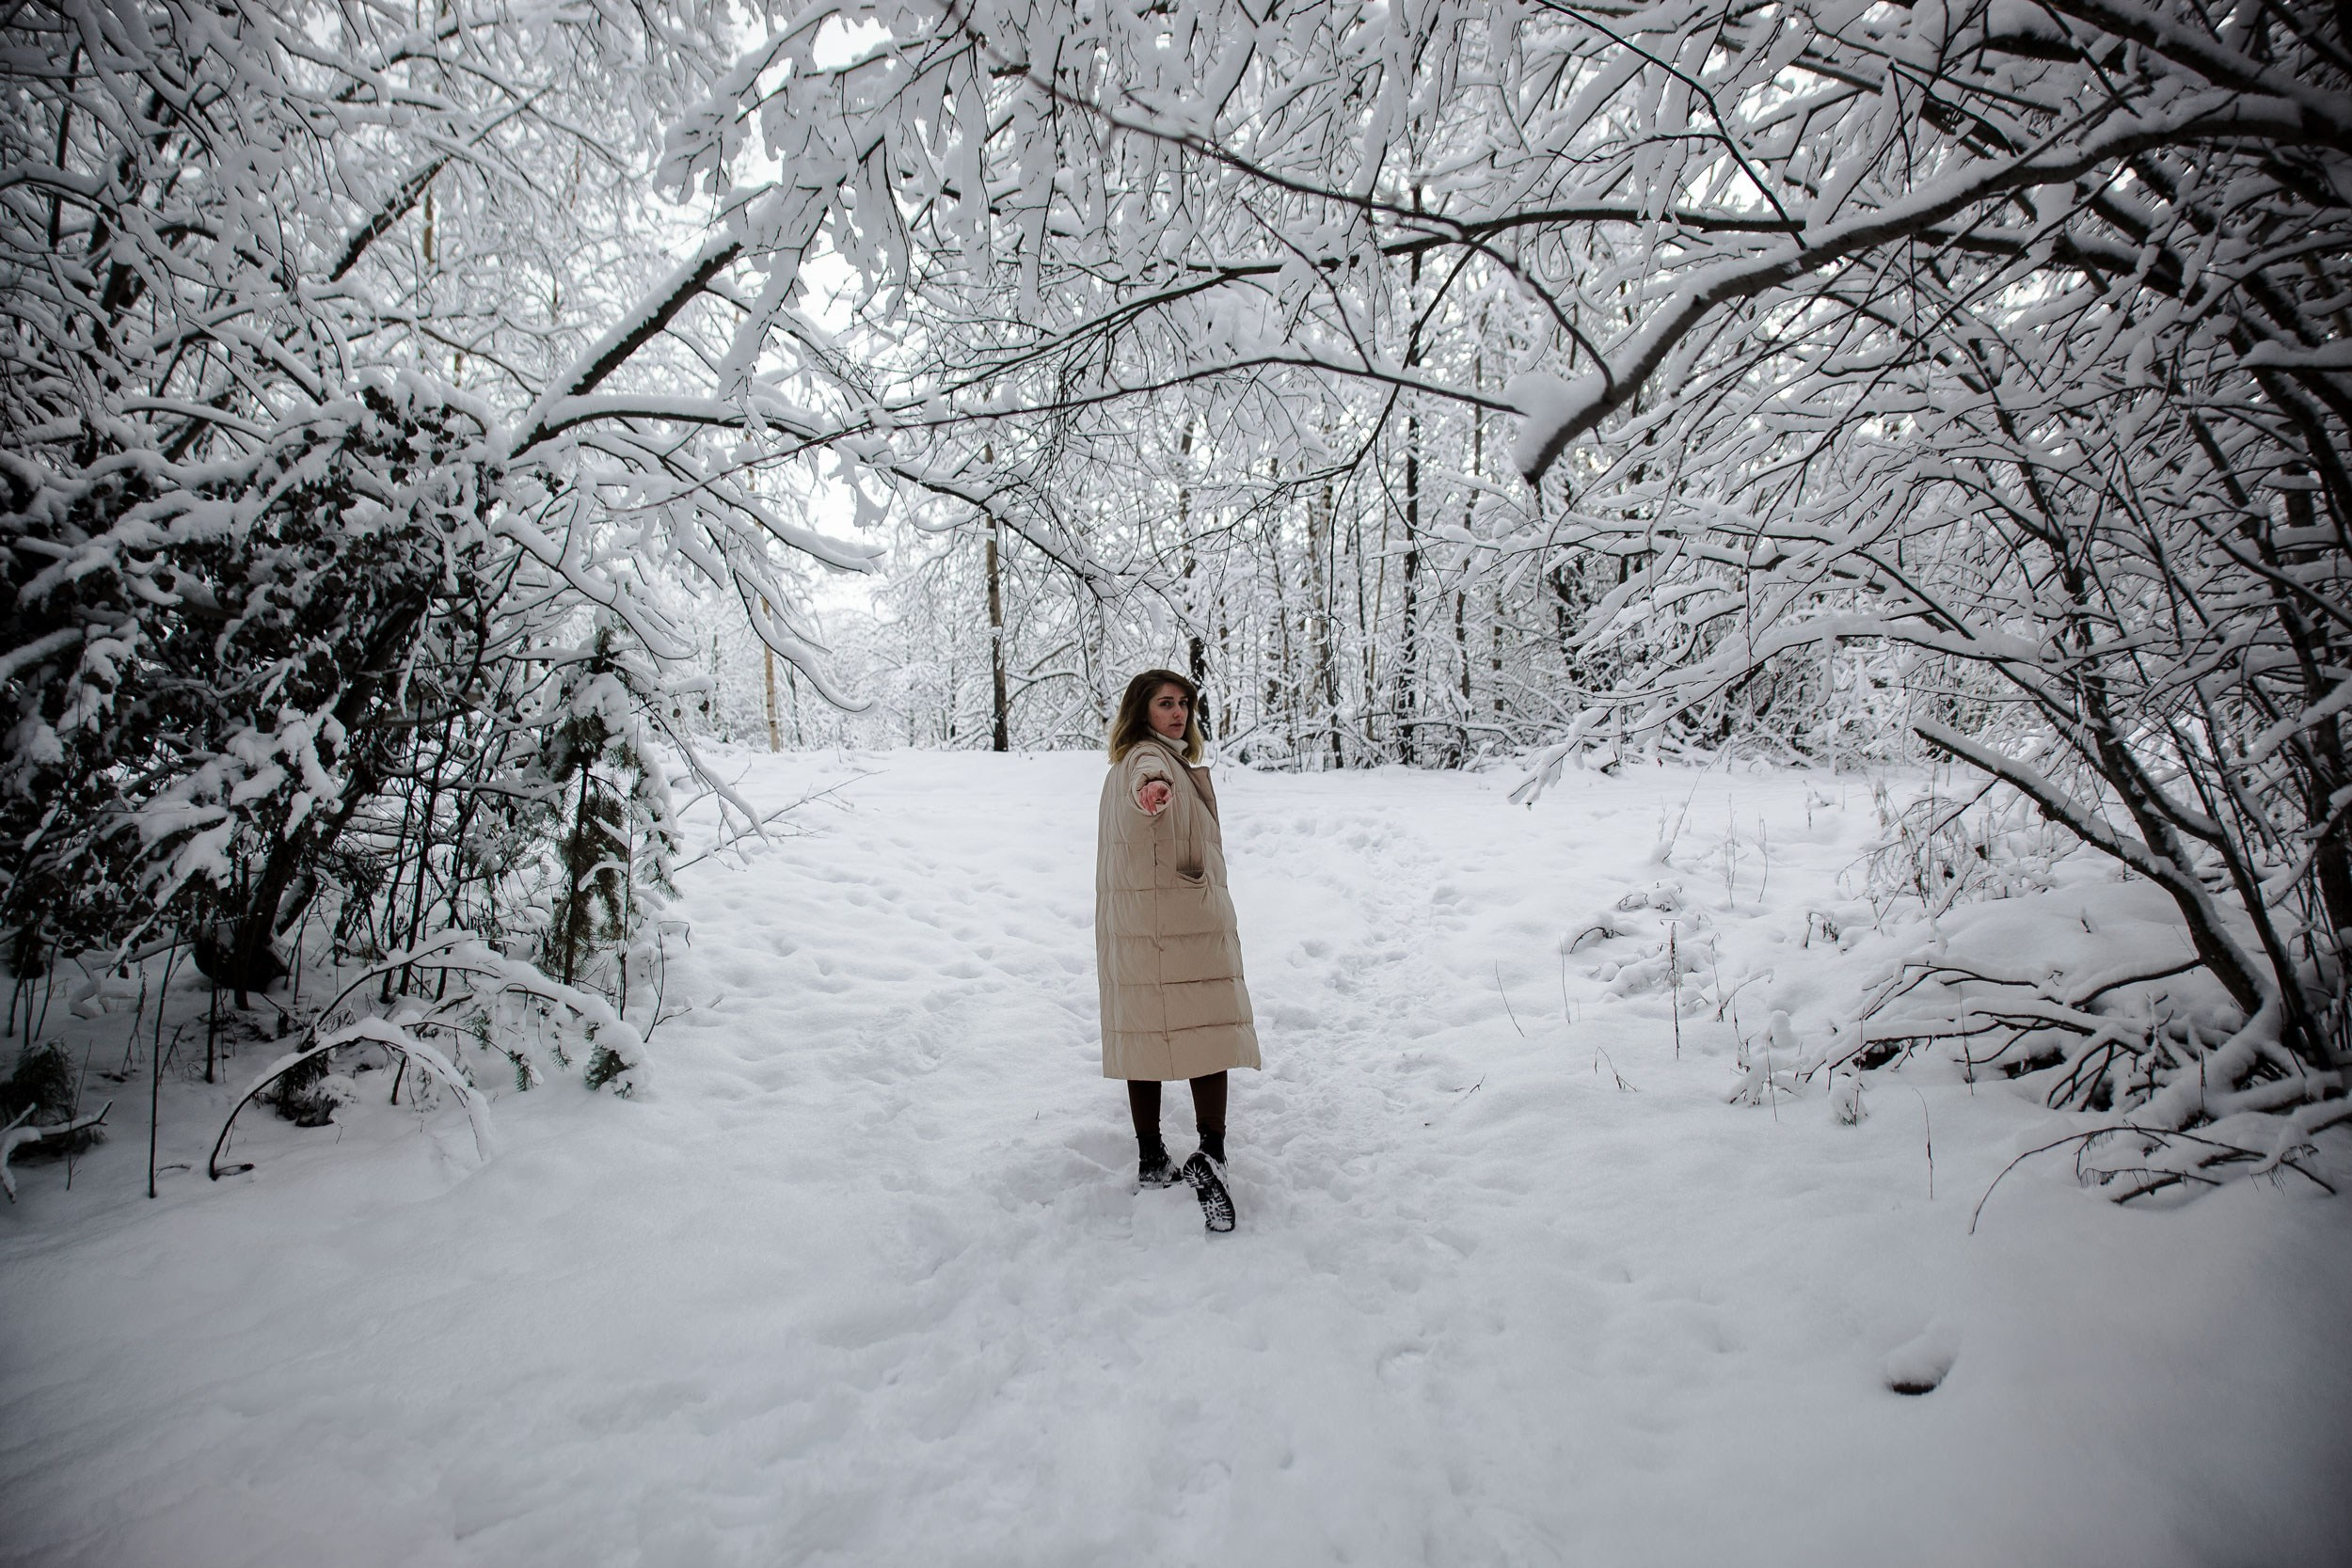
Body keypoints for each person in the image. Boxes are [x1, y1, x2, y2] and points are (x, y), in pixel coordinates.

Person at [1093, 668, 1260, 1233]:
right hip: (1182, 922)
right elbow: (1149, 779)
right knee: (1207, 1026)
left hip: (1144, 925)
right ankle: (1211, 1152)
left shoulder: (1137, 765)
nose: (1179, 713)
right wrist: (1153, 793)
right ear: (1142, 710)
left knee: (1148, 1031)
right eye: (1166, 703)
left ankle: (1151, 1157)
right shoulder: (1149, 762)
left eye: (1185, 703)